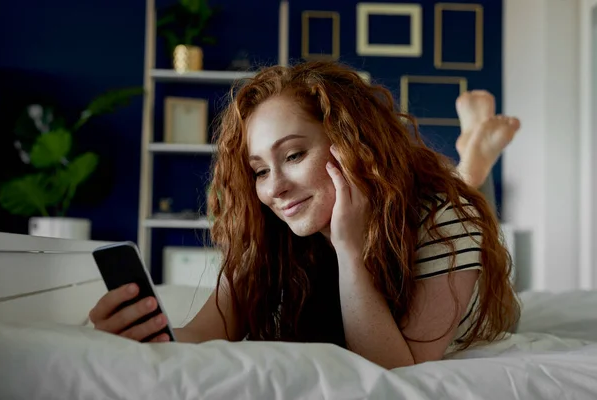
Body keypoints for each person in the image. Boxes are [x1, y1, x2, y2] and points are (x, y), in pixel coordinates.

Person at [89, 61, 521, 369]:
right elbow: (203, 333)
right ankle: (472, 152)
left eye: (294, 154)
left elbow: (396, 372)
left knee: (463, 193)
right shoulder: (271, 233)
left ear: (353, 144)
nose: (273, 188)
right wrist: (144, 335)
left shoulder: (445, 221)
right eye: (259, 170)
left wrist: (349, 251)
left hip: (463, 265)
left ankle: (473, 160)